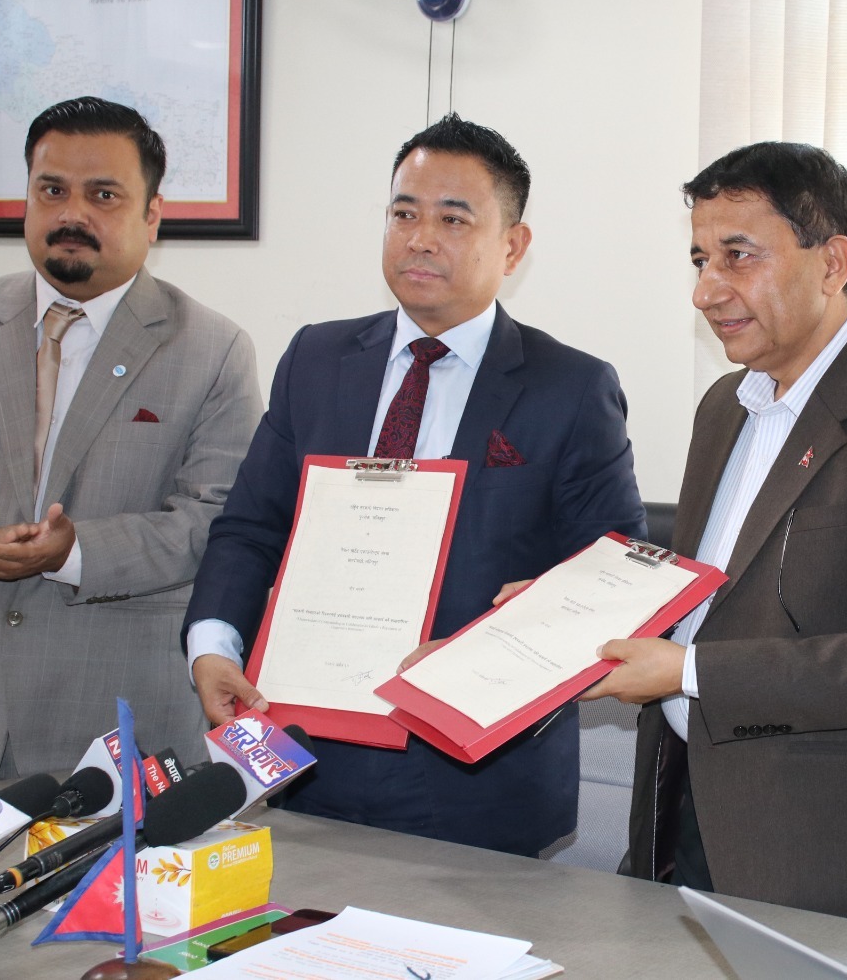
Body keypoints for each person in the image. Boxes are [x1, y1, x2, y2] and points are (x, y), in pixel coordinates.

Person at [182, 114, 645, 857]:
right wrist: (213, 647)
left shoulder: (571, 387)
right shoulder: (317, 358)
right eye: (404, 214)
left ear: (513, 245)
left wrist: (475, 662)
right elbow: (249, 527)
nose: (421, 238)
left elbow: (609, 581)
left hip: (475, 784)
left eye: (453, 219)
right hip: (303, 761)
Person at [588, 142, 847, 934]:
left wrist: (687, 671)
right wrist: (572, 608)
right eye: (700, 260)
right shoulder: (726, 405)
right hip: (690, 809)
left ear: (832, 262)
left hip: (836, 847)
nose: (707, 290)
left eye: (738, 257)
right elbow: (712, 593)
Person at [0, 97, 261, 784]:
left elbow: (214, 519)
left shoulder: (212, 348)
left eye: (104, 195)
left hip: (114, 718)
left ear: (152, 216)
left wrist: (74, 553)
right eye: (52, 190)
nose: (72, 213)